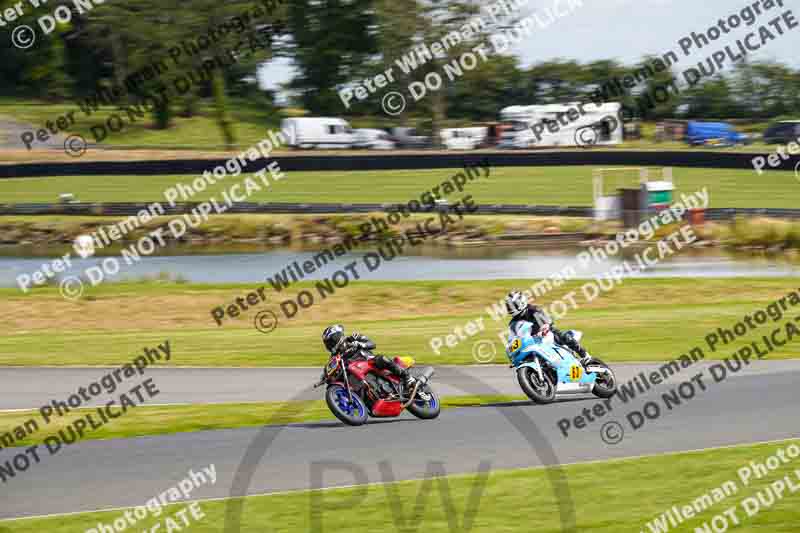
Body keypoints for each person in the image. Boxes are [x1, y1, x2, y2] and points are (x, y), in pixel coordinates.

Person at [505, 291, 593, 366]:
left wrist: (544, 327)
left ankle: (584, 354)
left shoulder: (533, 309)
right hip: (532, 341)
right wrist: (510, 350)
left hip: (546, 334)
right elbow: (512, 338)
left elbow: (546, 320)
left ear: (521, 302)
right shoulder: (513, 323)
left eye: (513, 305)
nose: (511, 308)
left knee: (561, 335)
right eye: (509, 306)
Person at [322, 325, 417, 389]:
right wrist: (325, 377)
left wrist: (360, 344)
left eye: (331, 341)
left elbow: (372, 344)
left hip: (370, 362)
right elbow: (330, 368)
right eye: (328, 343)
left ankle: (407, 377)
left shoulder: (353, 338)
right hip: (357, 373)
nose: (330, 345)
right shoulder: (334, 357)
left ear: (338, 337)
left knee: (380, 358)